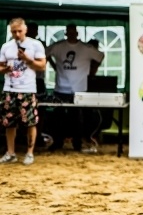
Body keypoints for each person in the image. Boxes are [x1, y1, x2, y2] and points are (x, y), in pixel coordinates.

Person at [46, 23, 104, 152]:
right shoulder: (58, 46)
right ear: (66, 33)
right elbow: (44, 53)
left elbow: (100, 56)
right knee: (58, 116)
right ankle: (58, 142)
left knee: (77, 117)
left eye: (73, 32)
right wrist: (53, 66)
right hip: (61, 87)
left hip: (80, 88)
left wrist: (92, 71)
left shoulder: (86, 48)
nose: (71, 34)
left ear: (77, 33)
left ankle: (77, 143)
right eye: (69, 32)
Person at [0, 18, 46, 165]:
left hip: (27, 89)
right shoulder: (6, 47)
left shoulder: (35, 45)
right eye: (14, 32)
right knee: (9, 123)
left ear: (25, 30)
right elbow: (0, 66)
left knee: (30, 122)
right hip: (9, 89)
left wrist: (27, 59)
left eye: (19, 31)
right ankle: (11, 152)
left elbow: (42, 66)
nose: (17, 34)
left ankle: (30, 153)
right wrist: (5, 69)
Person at [26, 22, 47, 95]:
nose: (33, 32)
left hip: (38, 78)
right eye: (31, 30)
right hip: (25, 78)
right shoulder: (20, 45)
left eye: (35, 30)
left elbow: (48, 58)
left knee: (40, 99)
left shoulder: (41, 44)